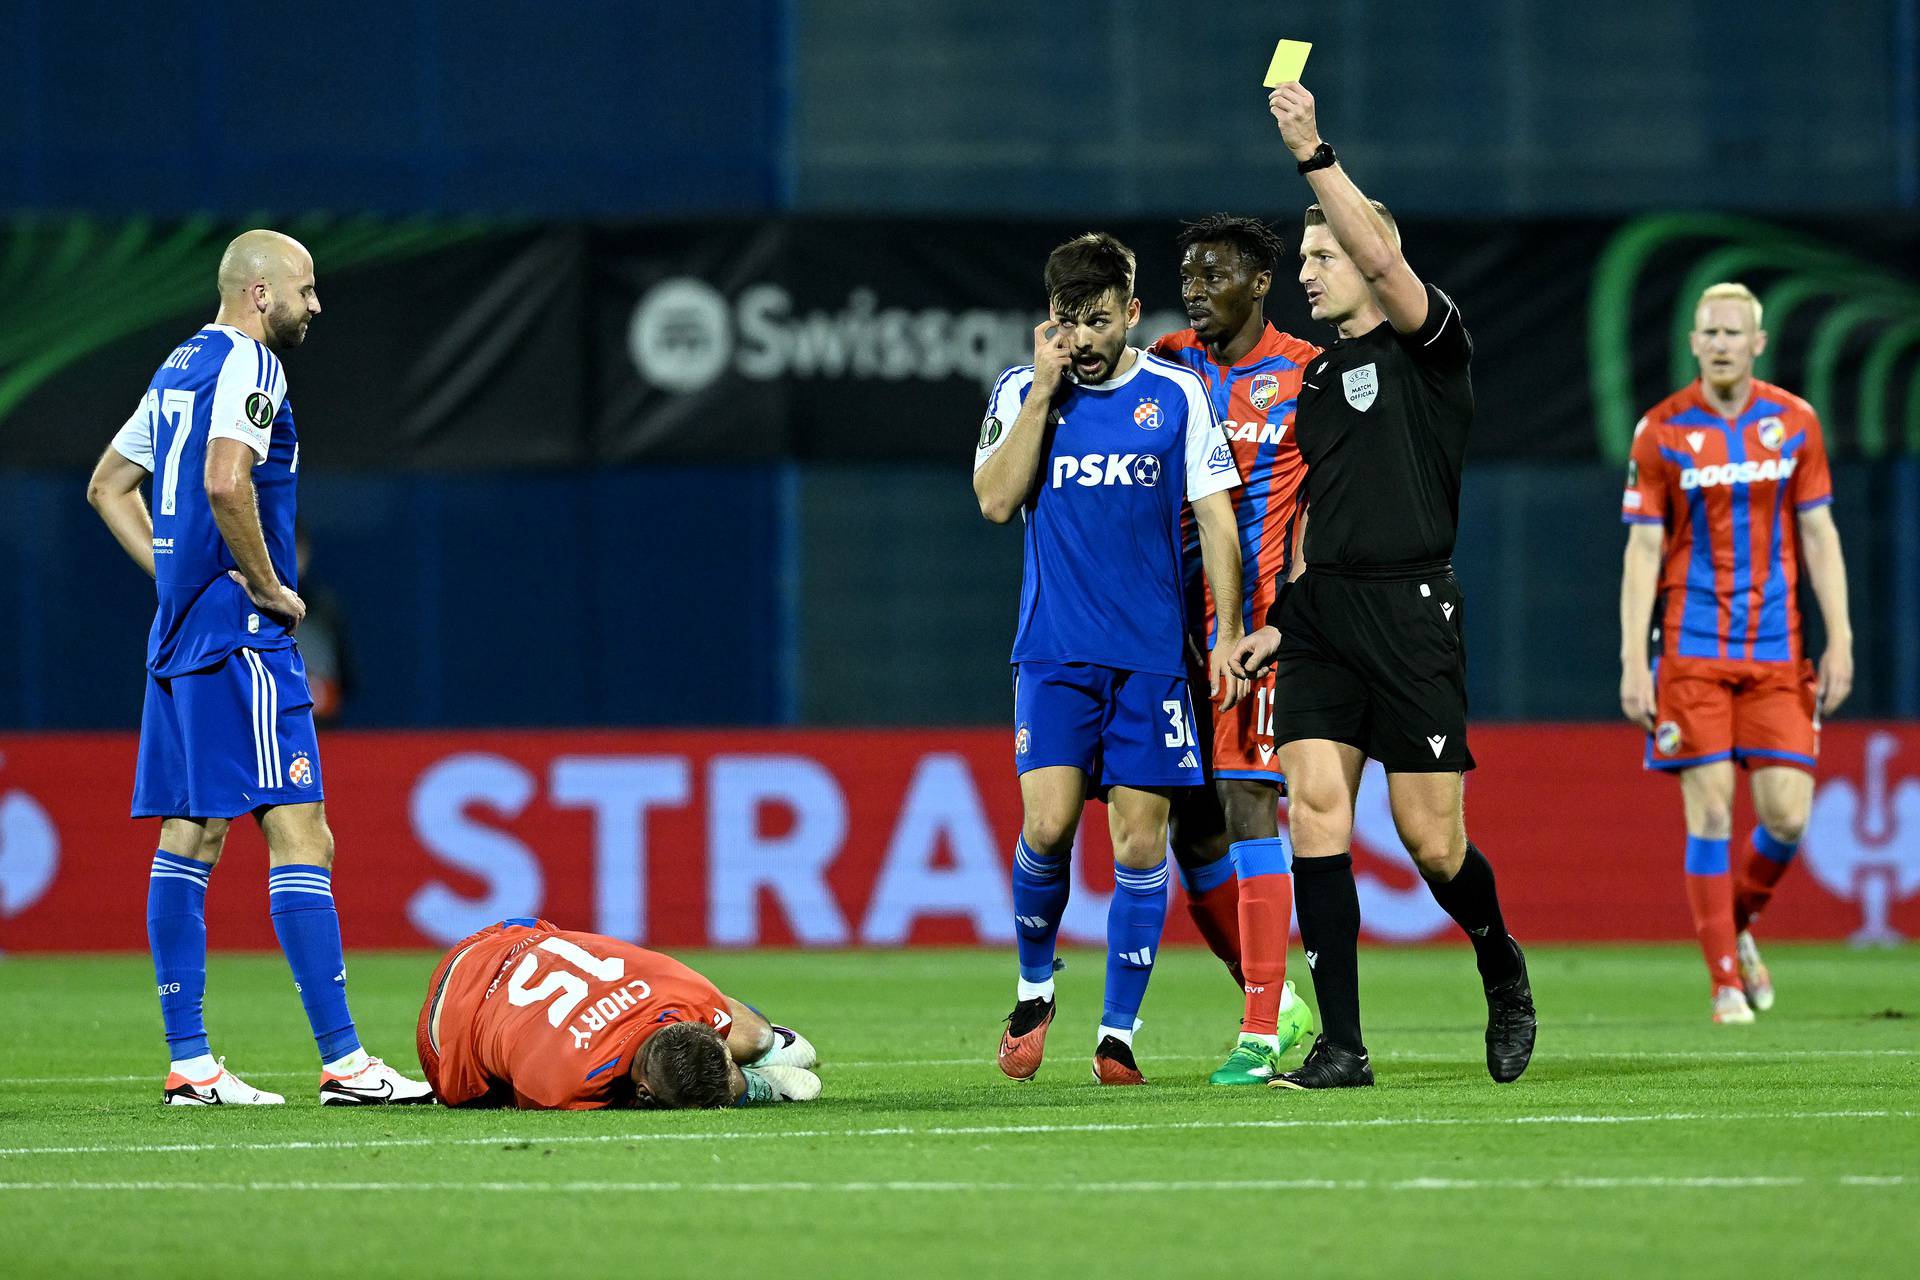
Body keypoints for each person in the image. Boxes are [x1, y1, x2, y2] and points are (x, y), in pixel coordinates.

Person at [1231, 84, 1537, 1090]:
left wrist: (1313, 151)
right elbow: (1316, 513)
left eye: (1320, 257)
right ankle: (1344, 1044)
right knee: (1315, 814)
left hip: (1413, 613)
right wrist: (1275, 620)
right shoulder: (1315, 383)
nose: (1304, 274)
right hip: (1325, 618)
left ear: (1366, 259)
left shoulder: (1430, 347)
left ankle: (1500, 963)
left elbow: (1390, 262)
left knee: (1432, 840)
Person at [86, 229, 431, 1106]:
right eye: (307, 290)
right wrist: (272, 589)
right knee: (302, 834)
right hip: (242, 636)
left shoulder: (178, 367)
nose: (317, 306)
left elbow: (107, 487)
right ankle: (347, 1062)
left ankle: (192, 1061)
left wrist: (178, 583)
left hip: (178, 633)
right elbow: (225, 481)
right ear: (261, 294)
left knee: (191, 836)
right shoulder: (252, 364)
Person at [974, 232, 1248, 1085]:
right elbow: (993, 501)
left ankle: (1118, 1037)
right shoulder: (1024, 390)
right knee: (1048, 826)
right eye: (1067, 323)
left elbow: (1216, 521)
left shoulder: (1176, 394)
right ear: (1047, 321)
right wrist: (1043, 393)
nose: (1083, 339)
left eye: (1098, 322)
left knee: (1140, 845)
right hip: (1054, 656)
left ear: (1131, 314)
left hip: (1151, 662)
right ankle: (1032, 988)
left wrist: (1228, 633)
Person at [1618, 282, 1852, 1023]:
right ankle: (1724, 982)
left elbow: (1818, 533)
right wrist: (1632, 658)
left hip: (1779, 651)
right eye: (1708, 332)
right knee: (1712, 809)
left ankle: (1737, 923)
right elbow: (1643, 551)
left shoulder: (1795, 423)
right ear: (1694, 343)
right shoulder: (1660, 430)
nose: (1720, 343)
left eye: (1733, 332)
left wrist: (1840, 636)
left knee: (1787, 817)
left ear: (1758, 343)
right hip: (1691, 650)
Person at [1150, 215, 1321, 1085]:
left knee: (1253, 799)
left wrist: (1286, 618)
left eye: (1213, 273)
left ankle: (1259, 1030)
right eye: (1186, 274)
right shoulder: (1170, 362)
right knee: (1191, 824)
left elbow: (1326, 504)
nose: (1195, 287)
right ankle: (1276, 997)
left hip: (1252, 632)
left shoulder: (1304, 372)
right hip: (1167, 632)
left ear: (1260, 282)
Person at [418, 918, 821, 1109]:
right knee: (484, 1095)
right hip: (452, 1024)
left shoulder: (692, 995)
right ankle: (756, 1084)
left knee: (755, 1036)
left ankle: (763, 1053)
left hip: (514, 935)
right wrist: (744, 1093)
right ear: (642, 1092)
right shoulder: (560, 1083)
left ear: (691, 1024)